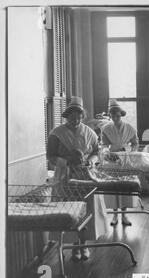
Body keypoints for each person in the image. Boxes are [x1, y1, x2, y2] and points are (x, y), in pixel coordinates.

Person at [47, 96, 108, 261]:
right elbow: (51, 157)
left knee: (86, 211)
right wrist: (67, 162)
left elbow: (97, 152)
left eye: (79, 117)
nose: (76, 120)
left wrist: (90, 161)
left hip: (85, 175)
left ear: (83, 116)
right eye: (73, 117)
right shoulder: (56, 134)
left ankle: (82, 245)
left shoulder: (89, 133)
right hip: (64, 177)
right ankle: (72, 246)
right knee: (68, 212)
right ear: (67, 116)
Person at [102, 99, 139, 227]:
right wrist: (107, 152)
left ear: (121, 115)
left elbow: (135, 144)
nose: (115, 118)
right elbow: (105, 144)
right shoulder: (106, 129)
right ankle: (114, 215)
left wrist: (127, 150)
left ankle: (124, 215)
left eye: (117, 115)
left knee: (124, 187)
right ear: (110, 116)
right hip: (112, 159)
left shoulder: (129, 128)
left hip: (126, 159)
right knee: (113, 187)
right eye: (112, 116)